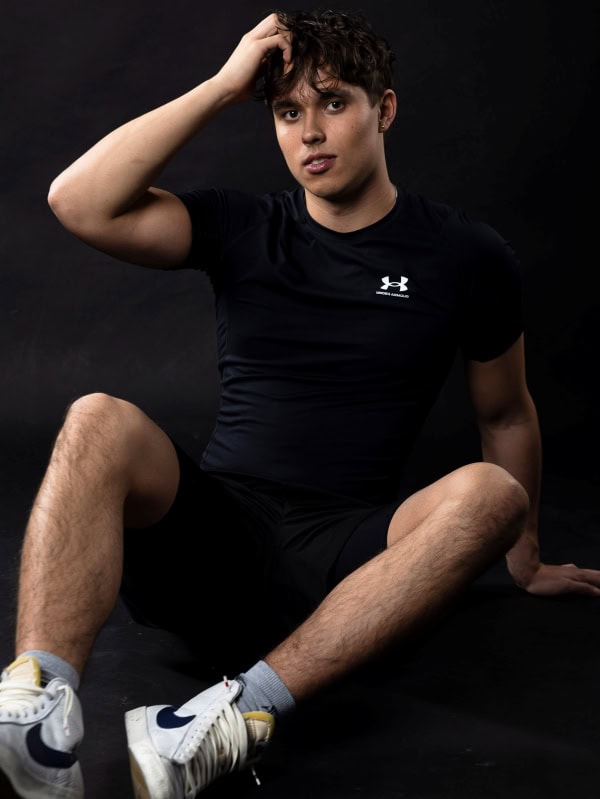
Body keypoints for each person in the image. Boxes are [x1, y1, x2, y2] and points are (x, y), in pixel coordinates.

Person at [1, 8, 599, 799]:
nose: (310, 131)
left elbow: (506, 413)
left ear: (384, 109)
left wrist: (525, 558)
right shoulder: (246, 226)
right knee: (95, 417)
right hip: (212, 544)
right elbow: (78, 201)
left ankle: (221, 721)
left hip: (347, 566)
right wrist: (222, 88)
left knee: (494, 492)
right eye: (288, 112)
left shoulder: (465, 254)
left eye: (334, 102)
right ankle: (37, 718)